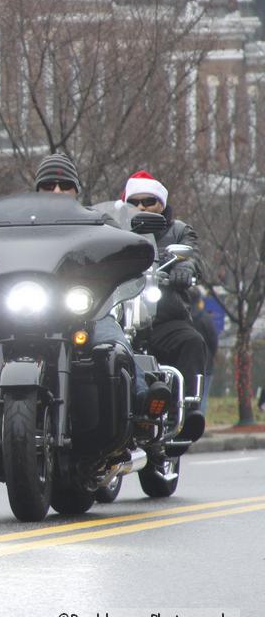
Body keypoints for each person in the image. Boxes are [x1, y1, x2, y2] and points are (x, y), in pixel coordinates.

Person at [32, 155, 172, 419]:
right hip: (29, 311)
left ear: (76, 190)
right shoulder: (17, 226)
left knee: (115, 343)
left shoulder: (98, 222)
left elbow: (119, 251)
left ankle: (143, 403)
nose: (57, 191)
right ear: (37, 190)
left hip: (87, 312)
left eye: (64, 185)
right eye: (49, 185)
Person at [121, 170, 208, 441]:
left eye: (149, 201)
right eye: (134, 202)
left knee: (192, 341)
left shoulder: (179, 230)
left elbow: (192, 256)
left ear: (162, 204)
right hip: (118, 319)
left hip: (164, 319)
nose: (141, 207)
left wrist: (185, 267)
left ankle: (188, 412)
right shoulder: (111, 231)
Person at [189, 287, 218, 416]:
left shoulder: (184, 317)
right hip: (206, 362)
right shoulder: (205, 318)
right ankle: (199, 421)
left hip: (187, 361)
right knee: (202, 395)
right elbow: (213, 340)